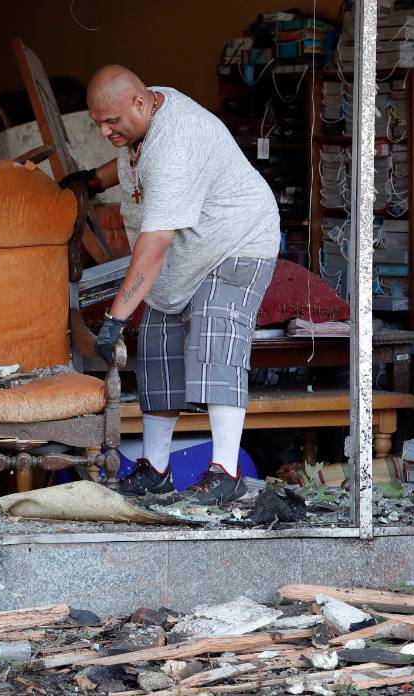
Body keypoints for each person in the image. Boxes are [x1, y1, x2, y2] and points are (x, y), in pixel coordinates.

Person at [61, 65, 279, 504]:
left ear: (141, 103)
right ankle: (156, 469)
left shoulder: (178, 140)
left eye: (111, 122)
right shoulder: (147, 109)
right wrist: (95, 180)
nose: (104, 131)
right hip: (190, 249)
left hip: (236, 242)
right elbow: (134, 157)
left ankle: (226, 472)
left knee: (216, 340)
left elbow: (154, 245)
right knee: (159, 348)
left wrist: (115, 318)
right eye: (98, 122)